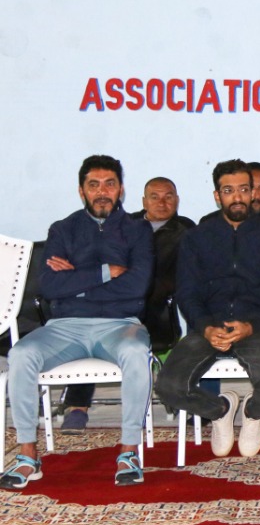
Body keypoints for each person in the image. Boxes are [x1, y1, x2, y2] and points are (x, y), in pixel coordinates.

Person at [2, 155, 154, 489]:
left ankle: (129, 452)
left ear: (121, 190)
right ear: (81, 191)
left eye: (110, 184)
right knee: (21, 355)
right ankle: (28, 456)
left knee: (135, 353)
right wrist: (107, 272)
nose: (102, 191)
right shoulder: (62, 229)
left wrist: (75, 279)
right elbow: (50, 286)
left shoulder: (137, 230)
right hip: (65, 326)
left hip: (120, 324)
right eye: (94, 185)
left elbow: (137, 286)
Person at [154, 160, 260, 458]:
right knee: (168, 386)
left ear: (253, 192)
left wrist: (252, 324)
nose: (238, 197)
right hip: (209, 325)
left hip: (256, 326)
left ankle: (253, 414)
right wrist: (205, 326)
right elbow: (186, 291)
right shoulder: (196, 238)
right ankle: (221, 410)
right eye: (229, 191)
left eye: (244, 189)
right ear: (218, 196)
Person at [60, 175, 194, 434]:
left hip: (156, 310)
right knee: (89, 325)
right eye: (154, 197)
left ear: (177, 200)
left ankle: (175, 397)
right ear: (144, 201)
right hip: (115, 303)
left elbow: (181, 276)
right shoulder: (124, 225)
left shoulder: (186, 231)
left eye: (168, 197)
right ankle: (77, 407)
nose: (162, 202)